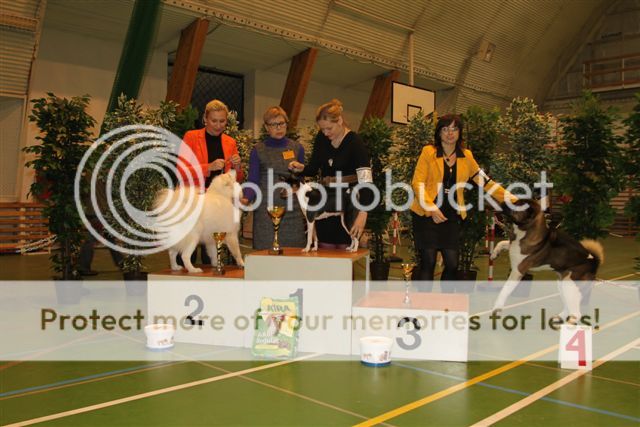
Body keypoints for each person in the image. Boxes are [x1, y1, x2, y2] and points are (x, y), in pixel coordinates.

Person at [410, 114, 514, 291]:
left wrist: (512, 200)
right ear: (439, 132)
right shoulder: (428, 152)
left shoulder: (467, 156)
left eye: (454, 129)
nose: (450, 133)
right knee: (428, 261)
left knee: (452, 263)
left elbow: (485, 182)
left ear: (459, 133)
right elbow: (417, 183)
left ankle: (447, 303)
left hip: (451, 215)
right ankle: (424, 302)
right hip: (426, 215)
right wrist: (431, 208)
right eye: (445, 129)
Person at [289, 99, 372, 249]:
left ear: (339, 121)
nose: (325, 133)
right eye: (322, 129)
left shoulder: (355, 142)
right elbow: (313, 169)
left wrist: (363, 212)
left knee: (346, 249)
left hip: (347, 202)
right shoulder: (321, 139)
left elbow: (366, 180)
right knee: (324, 249)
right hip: (324, 200)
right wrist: (302, 168)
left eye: (329, 128)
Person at [177, 99, 243, 266]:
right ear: (205, 119)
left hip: (215, 205)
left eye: (222, 121)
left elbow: (235, 178)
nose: (218, 125)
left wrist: (237, 166)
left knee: (213, 251)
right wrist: (208, 167)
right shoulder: (191, 137)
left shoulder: (230, 142)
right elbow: (181, 170)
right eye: (214, 121)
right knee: (187, 247)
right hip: (192, 201)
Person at [244, 106, 306, 250]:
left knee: (294, 254)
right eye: (273, 124)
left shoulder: (298, 148)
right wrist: (246, 198)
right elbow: (253, 179)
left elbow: (301, 180)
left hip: (292, 209)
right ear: (266, 127)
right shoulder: (258, 150)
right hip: (265, 211)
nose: (278, 128)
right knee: (265, 253)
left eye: (281, 123)